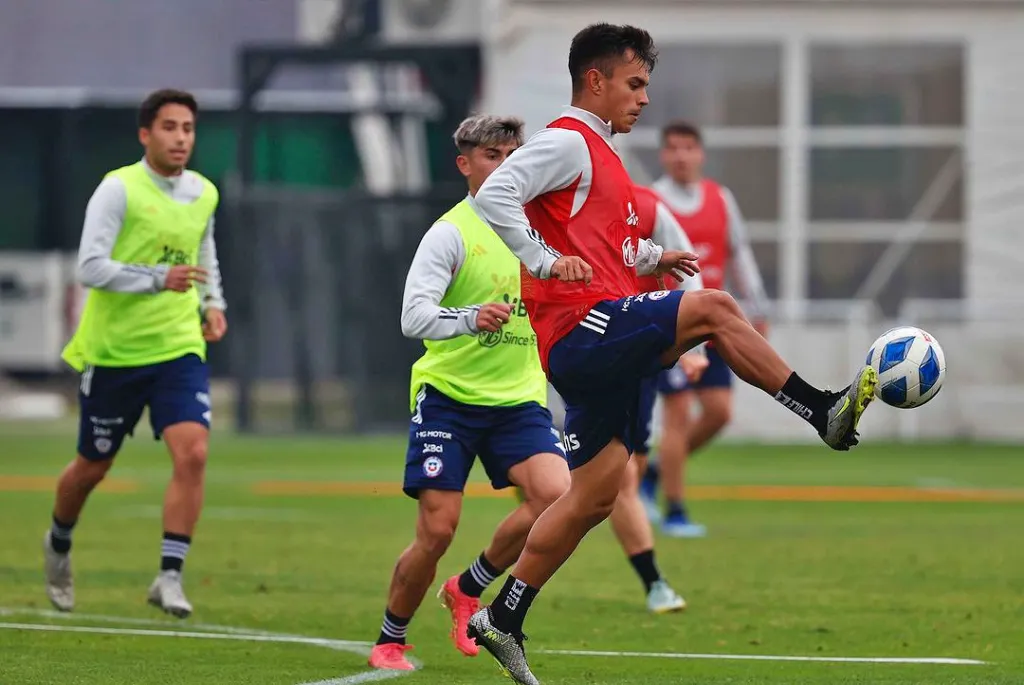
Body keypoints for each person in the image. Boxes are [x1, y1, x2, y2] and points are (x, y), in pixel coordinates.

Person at [465, 23, 877, 684]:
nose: (644, 99)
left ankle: (502, 618)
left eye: (647, 85)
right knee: (714, 306)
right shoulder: (568, 140)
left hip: (598, 333)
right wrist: (542, 259)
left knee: (593, 497)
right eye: (634, 84)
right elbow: (495, 194)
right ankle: (822, 408)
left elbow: (612, 252)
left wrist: (656, 256)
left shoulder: (606, 160)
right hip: (580, 329)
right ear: (594, 82)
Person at [367, 114, 569, 672]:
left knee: (555, 496)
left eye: (512, 156)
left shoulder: (541, 230)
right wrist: (468, 317)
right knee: (437, 529)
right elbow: (413, 316)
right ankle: (391, 638)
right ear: (465, 164)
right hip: (450, 397)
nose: (505, 167)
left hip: (518, 398)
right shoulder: (450, 232)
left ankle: (469, 587)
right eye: (491, 157)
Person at [44, 89, 227, 618]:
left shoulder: (204, 193)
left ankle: (169, 576)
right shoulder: (117, 189)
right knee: (91, 467)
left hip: (177, 346)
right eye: (169, 127)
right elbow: (89, 267)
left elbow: (203, 251)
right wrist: (156, 278)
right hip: (116, 352)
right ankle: (58, 544)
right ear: (146, 134)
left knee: (193, 453)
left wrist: (212, 301)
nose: (180, 138)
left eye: (188, 128)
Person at [640, 120, 772, 537]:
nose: (681, 155)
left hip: (715, 322)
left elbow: (741, 254)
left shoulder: (721, 198)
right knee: (677, 414)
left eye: (688, 147)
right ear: (663, 155)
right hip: (672, 322)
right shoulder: (653, 200)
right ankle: (675, 510)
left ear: (701, 153)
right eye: (673, 148)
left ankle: (655, 472)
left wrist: (757, 309)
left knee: (718, 413)